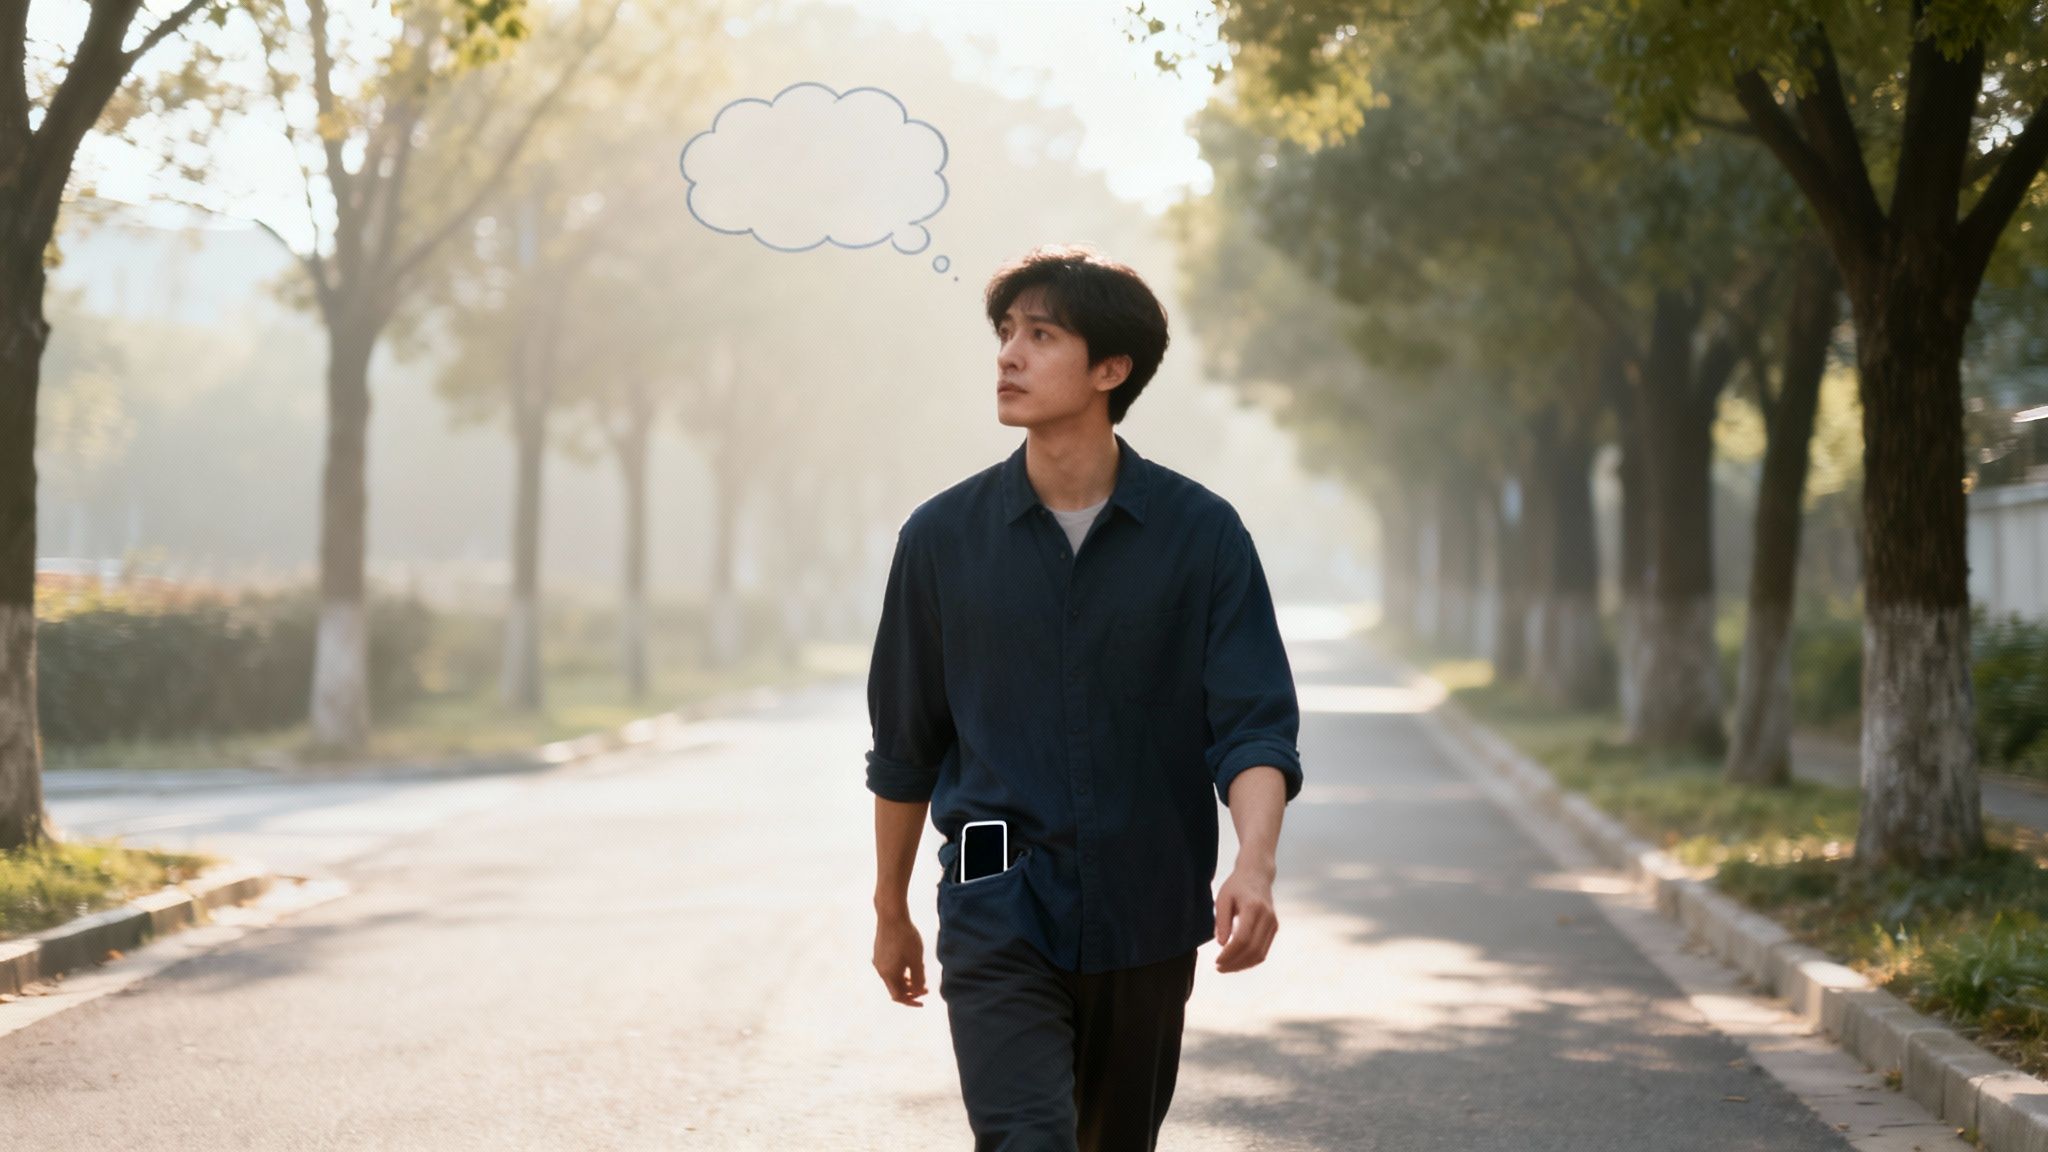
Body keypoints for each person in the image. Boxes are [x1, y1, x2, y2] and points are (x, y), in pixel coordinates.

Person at [865, 244, 1303, 1152]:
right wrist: (891, 907)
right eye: (1006, 334)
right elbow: (906, 744)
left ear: (1112, 369)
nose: (1009, 356)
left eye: (1041, 335)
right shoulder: (941, 539)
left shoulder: (1202, 536)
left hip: (1145, 908)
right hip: (994, 901)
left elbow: (1253, 726)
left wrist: (1254, 864)